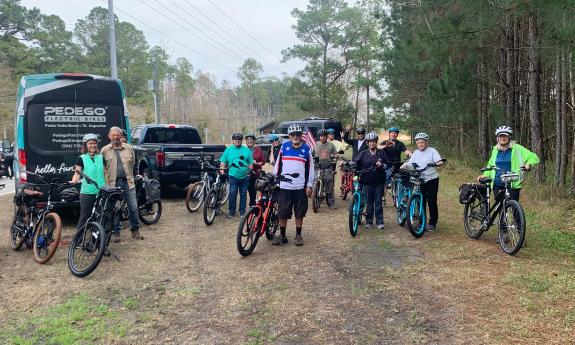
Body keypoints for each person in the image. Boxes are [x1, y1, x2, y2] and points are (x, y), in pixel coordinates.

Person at [273, 123, 314, 246]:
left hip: (300, 187)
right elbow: (278, 164)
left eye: (298, 134)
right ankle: (283, 235)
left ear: (301, 136)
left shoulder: (306, 149)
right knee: (282, 212)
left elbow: (311, 168)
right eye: (293, 134)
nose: (295, 136)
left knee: (299, 212)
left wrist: (309, 185)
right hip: (285, 187)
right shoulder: (284, 147)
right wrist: (275, 177)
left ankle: (298, 235)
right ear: (289, 136)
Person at [101, 126, 144, 242]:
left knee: (133, 208)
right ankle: (116, 232)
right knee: (114, 209)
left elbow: (134, 164)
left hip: (127, 182)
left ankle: (135, 230)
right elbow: (103, 168)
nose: (115, 137)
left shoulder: (129, 148)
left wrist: (136, 175)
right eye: (113, 135)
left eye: (117, 135)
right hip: (113, 184)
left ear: (121, 136)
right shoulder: (104, 150)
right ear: (109, 136)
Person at [478, 126, 539, 201]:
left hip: (512, 183)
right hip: (497, 183)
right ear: (497, 138)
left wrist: (528, 164)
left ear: (509, 137)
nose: (503, 138)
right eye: (500, 136)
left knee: (514, 208)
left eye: (505, 136)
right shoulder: (495, 150)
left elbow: (533, 156)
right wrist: (485, 175)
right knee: (500, 209)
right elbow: (491, 165)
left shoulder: (517, 148)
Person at [401, 132, 444, 232]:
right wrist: (404, 166)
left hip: (431, 179)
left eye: (422, 142)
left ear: (426, 142)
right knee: (421, 201)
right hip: (419, 180)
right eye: (419, 142)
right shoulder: (416, 153)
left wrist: (437, 163)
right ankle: (422, 222)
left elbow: (439, 161)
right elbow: (410, 163)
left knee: (432, 201)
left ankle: (432, 223)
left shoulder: (432, 151)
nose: (420, 144)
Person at [71, 134, 106, 234]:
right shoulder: (81, 158)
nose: (93, 145)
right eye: (90, 143)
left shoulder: (100, 157)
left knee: (100, 215)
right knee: (85, 216)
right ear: (85, 145)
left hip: (101, 191)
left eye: (94, 143)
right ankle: (78, 238)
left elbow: (105, 173)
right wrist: (74, 181)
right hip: (87, 192)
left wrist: (108, 186)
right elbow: (77, 173)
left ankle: (98, 238)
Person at [353, 131, 387, 230]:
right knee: (369, 202)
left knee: (378, 202)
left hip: (379, 181)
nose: (372, 143)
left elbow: (387, 164)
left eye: (374, 141)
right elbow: (355, 162)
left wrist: (382, 165)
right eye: (370, 142)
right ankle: (369, 221)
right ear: (367, 143)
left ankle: (380, 222)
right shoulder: (363, 153)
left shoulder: (382, 152)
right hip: (367, 181)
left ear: (376, 142)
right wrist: (348, 164)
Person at [220, 132, 253, 218]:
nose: (237, 141)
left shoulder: (246, 150)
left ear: (241, 140)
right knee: (232, 193)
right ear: (233, 140)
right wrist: (222, 170)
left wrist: (250, 170)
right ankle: (232, 212)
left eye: (239, 139)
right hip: (233, 177)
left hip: (245, 177)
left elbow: (250, 162)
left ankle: (242, 212)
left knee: (243, 194)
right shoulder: (228, 150)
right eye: (235, 139)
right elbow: (223, 161)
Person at [381, 127, 412, 203]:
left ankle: (404, 195)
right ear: (389, 134)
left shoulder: (400, 144)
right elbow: (378, 149)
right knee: (384, 180)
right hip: (387, 165)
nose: (393, 135)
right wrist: (385, 146)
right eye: (392, 133)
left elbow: (406, 151)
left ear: (397, 134)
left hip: (397, 164)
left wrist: (410, 154)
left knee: (405, 177)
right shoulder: (385, 142)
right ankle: (383, 197)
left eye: (395, 133)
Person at [312, 129, 338, 209]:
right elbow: (311, 154)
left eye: (324, 136)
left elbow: (335, 154)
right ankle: (317, 197)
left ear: (327, 137)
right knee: (315, 182)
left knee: (329, 186)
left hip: (327, 167)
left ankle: (331, 203)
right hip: (317, 167)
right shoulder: (315, 144)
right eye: (321, 136)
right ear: (319, 137)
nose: (322, 138)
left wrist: (336, 156)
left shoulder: (331, 145)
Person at [245, 133, 266, 207]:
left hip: (255, 174)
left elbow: (263, 162)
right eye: (248, 140)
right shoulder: (244, 149)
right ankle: (243, 209)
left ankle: (252, 206)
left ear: (254, 141)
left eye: (251, 139)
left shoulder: (258, 150)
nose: (249, 141)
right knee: (244, 192)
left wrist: (256, 163)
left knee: (252, 192)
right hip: (244, 174)